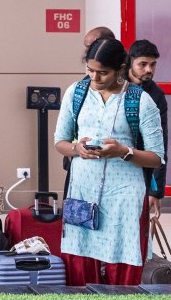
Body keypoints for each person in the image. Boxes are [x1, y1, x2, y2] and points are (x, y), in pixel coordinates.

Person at [54, 38, 165, 286]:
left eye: (103, 72)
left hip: (125, 198)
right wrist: (76, 149)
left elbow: (157, 157)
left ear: (120, 70)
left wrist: (123, 151)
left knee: (123, 268)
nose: (95, 78)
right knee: (80, 265)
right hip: (82, 192)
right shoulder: (77, 92)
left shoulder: (141, 101)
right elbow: (59, 141)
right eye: (90, 71)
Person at [126, 40, 167, 222]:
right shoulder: (115, 85)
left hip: (139, 168)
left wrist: (156, 191)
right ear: (130, 63)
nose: (149, 69)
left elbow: (161, 144)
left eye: (152, 64)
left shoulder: (156, 95)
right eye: (143, 64)